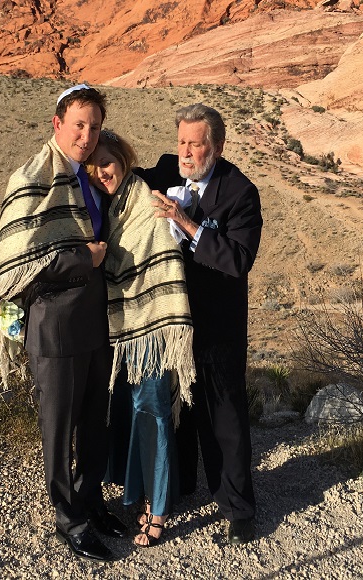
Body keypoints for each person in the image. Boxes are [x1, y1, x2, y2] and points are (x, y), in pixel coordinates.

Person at [0, 84, 127, 563]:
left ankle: (91, 502)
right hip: (53, 328)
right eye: (79, 124)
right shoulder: (32, 177)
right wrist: (84, 257)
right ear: (57, 124)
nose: (87, 134)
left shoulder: (90, 177)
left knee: (95, 421)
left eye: (94, 126)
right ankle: (68, 518)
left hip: (96, 324)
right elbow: (22, 261)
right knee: (58, 427)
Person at [136, 103, 263, 545]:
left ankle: (239, 509)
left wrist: (186, 223)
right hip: (174, 321)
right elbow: (128, 177)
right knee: (181, 407)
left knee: (223, 412)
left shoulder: (240, 192)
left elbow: (238, 260)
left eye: (196, 143)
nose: (187, 152)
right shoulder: (169, 169)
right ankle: (185, 485)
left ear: (218, 146)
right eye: (182, 142)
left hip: (219, 324)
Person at [85, 129, 195, 547]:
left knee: (153, 410)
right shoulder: (112, 208)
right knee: (133, 411)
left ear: (124, 158)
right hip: (125, 332)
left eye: (107, 163)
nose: (101, 173)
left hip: (155, 330)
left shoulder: (148, 203)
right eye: (94, 169)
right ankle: (140, 492)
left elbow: (165, 265)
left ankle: (159, 506)